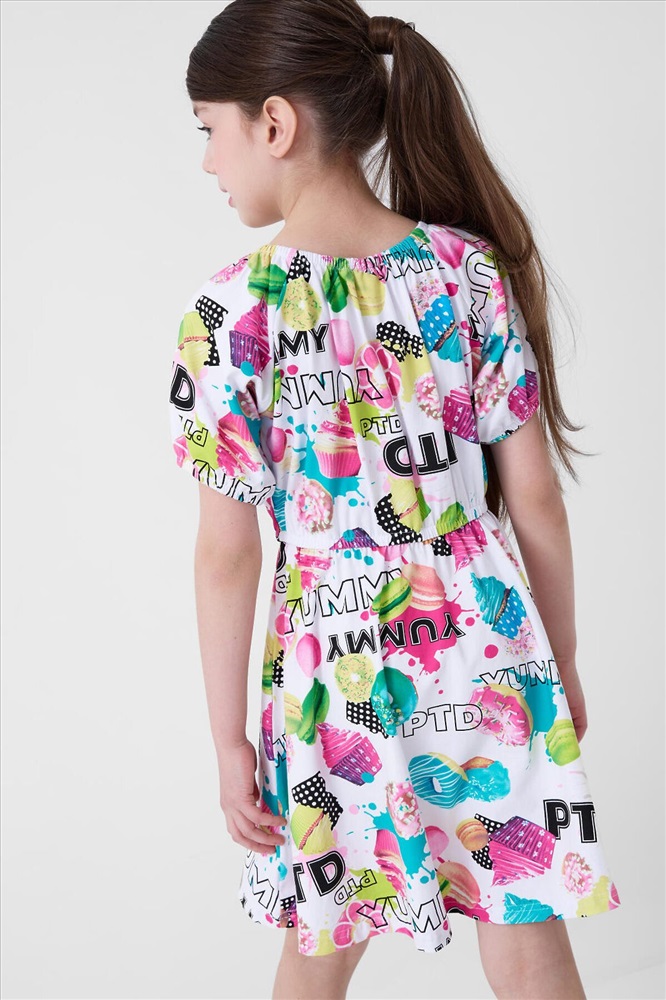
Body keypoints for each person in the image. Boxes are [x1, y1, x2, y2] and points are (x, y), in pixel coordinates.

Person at [168, 3, 622, 998]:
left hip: (335, 664)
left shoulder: (229, 311)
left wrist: (229, 739)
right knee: (525, 923)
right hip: (486, 642)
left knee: (322, 938)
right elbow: (537, 502)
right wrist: (559, 662)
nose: (207, 160)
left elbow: (227, 554)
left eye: (209, 129)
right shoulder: (467, 273)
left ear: (274, 123)